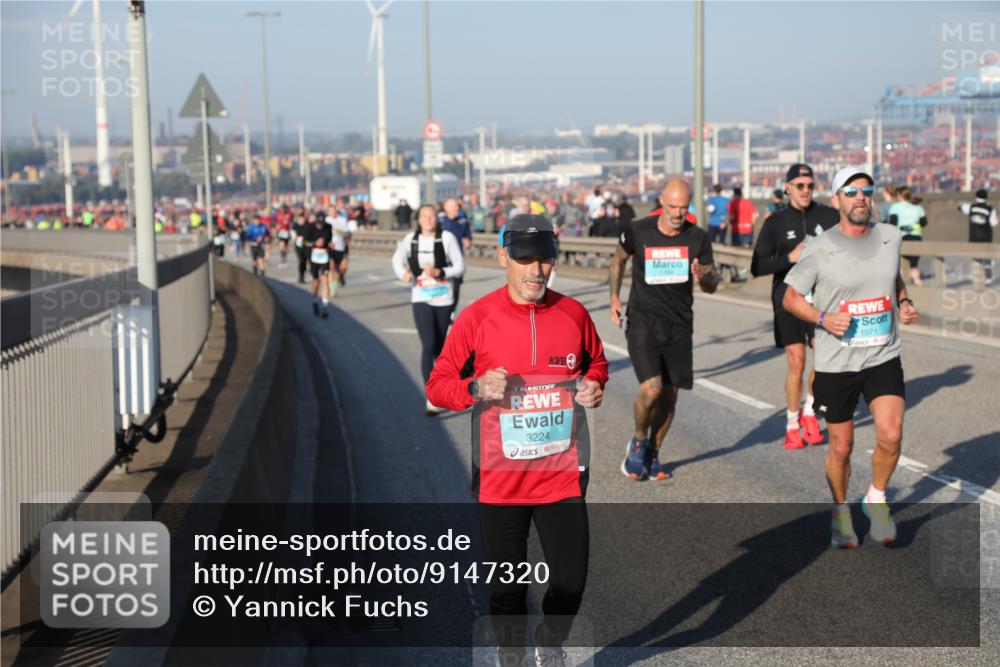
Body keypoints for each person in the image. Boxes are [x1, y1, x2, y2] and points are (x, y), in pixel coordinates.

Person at [426, 214, 608, 667]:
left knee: (569, 582)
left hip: (560, 474)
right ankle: (511, 655)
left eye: (544, 259)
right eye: (525, 259)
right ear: (504, 257)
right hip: (500, 479)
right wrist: (474, 388)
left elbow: (597, 362)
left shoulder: (573, 314)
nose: (536, 270)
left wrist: (594, 384)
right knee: (507, 590)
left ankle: (551, 639)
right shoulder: (477, 317)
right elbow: (437, 385)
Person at [783, 167, 919, 549]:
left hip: (882, 355)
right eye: (851, 191)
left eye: (866, 190)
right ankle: (841, 511)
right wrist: (824, 318)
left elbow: (893, 276)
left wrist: (904, 302)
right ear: (837, 200)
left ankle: (876, 498)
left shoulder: (890, 237)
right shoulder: (820, 248)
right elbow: (790, 298)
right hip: (836, 362)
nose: (860, 197)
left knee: (891, 435)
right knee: (841, 447)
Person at [609, 178, 718, 481]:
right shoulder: (638, 230)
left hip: (679, 326)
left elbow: (712, 284)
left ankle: (654, 453)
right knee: (652, 389)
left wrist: (702, 276)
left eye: (683, 208)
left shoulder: (698, 238)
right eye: (672, 206)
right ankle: (638, 441)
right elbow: (617, 261)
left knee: (670, 397)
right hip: (643, 321)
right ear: (661, 202)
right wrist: (614, 297)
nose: (677, 213)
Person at [751, 163, 840, 449]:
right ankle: (791, 424)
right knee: (797, 361)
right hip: (788, 299)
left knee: (825, 361)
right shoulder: (775, 222)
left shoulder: (828, 216)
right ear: (788, 187)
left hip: (822, 298)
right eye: (799, 186)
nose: (805, 191)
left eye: (810, 186)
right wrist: (790, 257)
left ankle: (810, 411)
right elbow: (757, 266)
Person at [391, 205, 466, 415]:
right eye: (424, 216)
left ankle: (445, 386)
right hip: (421, 297)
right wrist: (402, 274)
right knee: (428, 345)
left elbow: (460, 266)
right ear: (419, 219)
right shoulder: (411, 239)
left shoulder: (447, 238)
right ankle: (432, 396)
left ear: (437, 219)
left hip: (443, 298)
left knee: (440, 348)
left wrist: (440, 271)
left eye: (432, 216)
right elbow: (397, 259)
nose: (428, 220)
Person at [887, 186, 927, 286]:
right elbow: (924, 222)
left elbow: (893, 223)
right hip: (916, 237)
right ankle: (917, 280)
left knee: (901, 260)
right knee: (914, 262)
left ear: (899, 196)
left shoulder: (895, 207)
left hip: (902, 237)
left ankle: (902, 282)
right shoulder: (918, 207)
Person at [440, 197, 473, 314]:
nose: (457, 208)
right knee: (443, 286)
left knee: (456, 288)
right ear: (446, 208)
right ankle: (443, 311)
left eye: (457, 206)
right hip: (441, 260)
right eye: (454, 206)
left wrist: (468, 241)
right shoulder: (440, 221)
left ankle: (451, 312)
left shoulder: (463, 221)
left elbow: (468, 236)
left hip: (457, 260)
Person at [960, 188, 997, 282]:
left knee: (976, 257)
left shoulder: (971, 207)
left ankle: (977, 276)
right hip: (986, 237)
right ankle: (988, 277)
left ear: (976, 197)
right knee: (987, 258)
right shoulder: (990, 209)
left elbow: (960, 208)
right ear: (986, 198)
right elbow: (994, 223)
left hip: (974, 237)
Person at [302, 212, 334, 318]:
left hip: (324, 256)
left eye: (322, 223)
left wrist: (330, 244)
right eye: (319, 223)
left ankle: (325, 305)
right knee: (316, 282)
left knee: (325, 279)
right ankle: (315, 300)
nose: (320, 225)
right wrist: (315, 243)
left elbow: (329, 240)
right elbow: (304, 243)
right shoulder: (309, 228)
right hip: (313, 257)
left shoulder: (328, 227)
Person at [727, 186, 757, 281]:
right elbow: (754, 216)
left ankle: (740, 273)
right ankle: (747, 270)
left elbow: (731, 217)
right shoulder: (749, 203)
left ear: (734, 194)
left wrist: (728, 223)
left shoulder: (732, 204)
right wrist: (751, 225)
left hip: (737, 230)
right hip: (748, 229)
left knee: (737, 251)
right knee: (747, 250)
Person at [326, 205, 352, 293]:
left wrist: (338, 231)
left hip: (341, 246)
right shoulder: (326, 220)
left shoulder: (342, 220)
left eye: (333, 210)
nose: (332, 212)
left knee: (343, 268)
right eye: (330, 211)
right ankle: (332, 289)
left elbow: (347, 233)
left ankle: (340, 276)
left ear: (336, 211)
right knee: (331, 268)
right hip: (330, 247)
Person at [292, 214, 311, 284]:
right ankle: (301, 276)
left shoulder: (308, 225)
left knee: (308, 260)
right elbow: (293, 233)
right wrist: (295, 238)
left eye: (303, 219)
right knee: (301, 260)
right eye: (300, 219)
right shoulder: (295, 226)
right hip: (299, 246)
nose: (301, 220)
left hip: (307, 246)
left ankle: (310, 271)